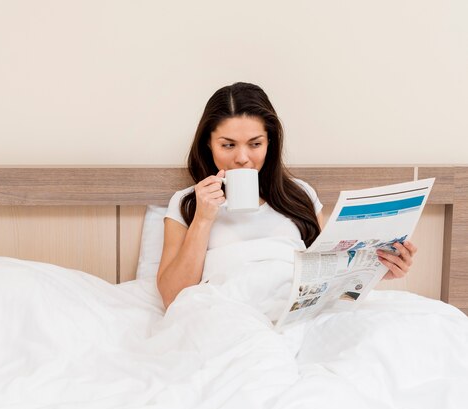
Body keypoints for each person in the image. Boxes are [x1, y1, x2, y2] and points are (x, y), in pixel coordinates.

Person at [156, 82, 417, 309]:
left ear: (270, 143)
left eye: (255, 144)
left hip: (293, 310)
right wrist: (203, 219)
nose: (242, 158)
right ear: (208, 144)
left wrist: (377, 270)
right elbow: (172, 297)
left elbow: (328, 274)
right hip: (225, 310)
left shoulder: (300, 195)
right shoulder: (186, 203)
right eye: (228, 145)